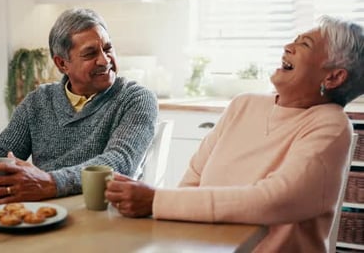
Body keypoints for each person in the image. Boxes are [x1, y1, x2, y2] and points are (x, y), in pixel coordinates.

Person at [105, 15, 364, 252]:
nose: (288, 47)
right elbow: (192, 181)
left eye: (304, 45)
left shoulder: (331, 125)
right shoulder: (244, 105)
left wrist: (155, 201)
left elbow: (274, 200)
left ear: (333, 77)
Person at [0, 8, 158, 204]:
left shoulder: (136, 99)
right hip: (43, 211)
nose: (104, 60)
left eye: (108, 48)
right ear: (62, 64)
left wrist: (49, 183)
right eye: (90, 54)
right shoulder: (38, 101)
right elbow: (2, 150)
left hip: (105, 213)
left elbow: (119, 162)